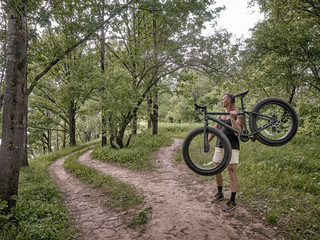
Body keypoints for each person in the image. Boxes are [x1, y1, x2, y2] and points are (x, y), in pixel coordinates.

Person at [208, 93, 244, 212]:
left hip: (232, 145)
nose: (221, 101)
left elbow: (237, 131)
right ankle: (219, 193)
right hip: (220, 144)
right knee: (216, 168)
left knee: (231, 171)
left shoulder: (238, 114)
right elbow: (215, 129)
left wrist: (232, 118)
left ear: (229, 100)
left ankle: (232, 200)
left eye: (223, 99)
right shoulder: (220, 114)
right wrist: (207, 141)